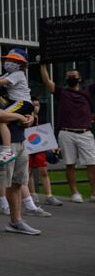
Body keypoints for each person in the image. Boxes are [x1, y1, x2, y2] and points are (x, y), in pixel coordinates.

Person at [0, 53, 41, 238]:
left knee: (17, 183)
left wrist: (28, 116)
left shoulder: (4, 85)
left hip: (19, 140)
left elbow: (19, 104)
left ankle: (16, 220)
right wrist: (19, 117)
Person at [39, 63, 95, 203]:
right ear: (65, 79)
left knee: (92, 163)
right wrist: (43, 65)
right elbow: (47, 81)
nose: (72, 78)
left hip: (85, 132)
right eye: (69, 76)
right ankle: (74, 192)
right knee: (70, 163)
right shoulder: (61, 92)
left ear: (80, 79)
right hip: (66, 132)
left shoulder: (87, 91)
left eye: (74, 76)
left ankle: (94, 193)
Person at [0, 49, 35, 165]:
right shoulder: (9, 74)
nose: (9, 62)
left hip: (21, 102)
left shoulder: (18, 74)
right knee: (2, 120)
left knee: (1, 121)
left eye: (14, 60)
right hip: (18, 103)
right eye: (8, 59)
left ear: (22, 65)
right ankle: (8, 150)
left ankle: (7, 150)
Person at [27, 97, 63, 207]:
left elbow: (47, 134)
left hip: (39, 149)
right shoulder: (26, 117)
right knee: (29, 172)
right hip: (28, 148)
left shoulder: (42, 119)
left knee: (44, 171)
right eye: (34, 105)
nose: (36, 107)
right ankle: (32, 194)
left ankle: (49, 196)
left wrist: (53, 146)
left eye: (37, 105)